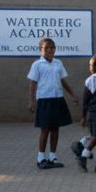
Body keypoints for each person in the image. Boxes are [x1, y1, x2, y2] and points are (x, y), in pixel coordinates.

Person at [26, 38, 79, 169]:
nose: (50, 50)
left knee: (55, 129)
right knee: (45, 129)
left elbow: (63, 81)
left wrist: (73, 94)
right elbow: (32, 85)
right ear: (40, 49)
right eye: (46, 48)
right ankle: (40, 158)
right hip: (44, 100)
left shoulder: (58, 63)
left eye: (52, 47)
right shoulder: (37, 65)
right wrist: (31, 101)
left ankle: (52, 157)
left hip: (58, 99)